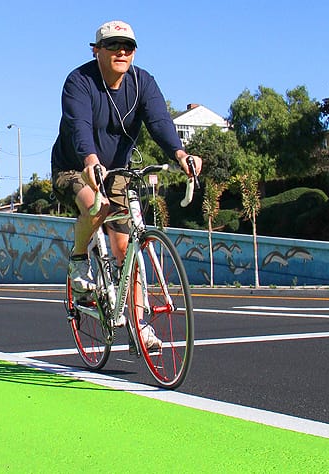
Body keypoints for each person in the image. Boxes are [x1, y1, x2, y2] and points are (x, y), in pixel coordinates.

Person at [51, 20, 203, 296]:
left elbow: (159, 121)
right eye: (113, 45)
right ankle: (79, 259)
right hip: (73, 168)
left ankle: (140, 328)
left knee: (125, 247)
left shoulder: (142, 82)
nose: (121, 52)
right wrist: (90, 161)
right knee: (97, 208)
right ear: (97, 50)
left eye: (128, 47)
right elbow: (79, 126)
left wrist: (181, 154)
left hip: (117, 171)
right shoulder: (79, 82)